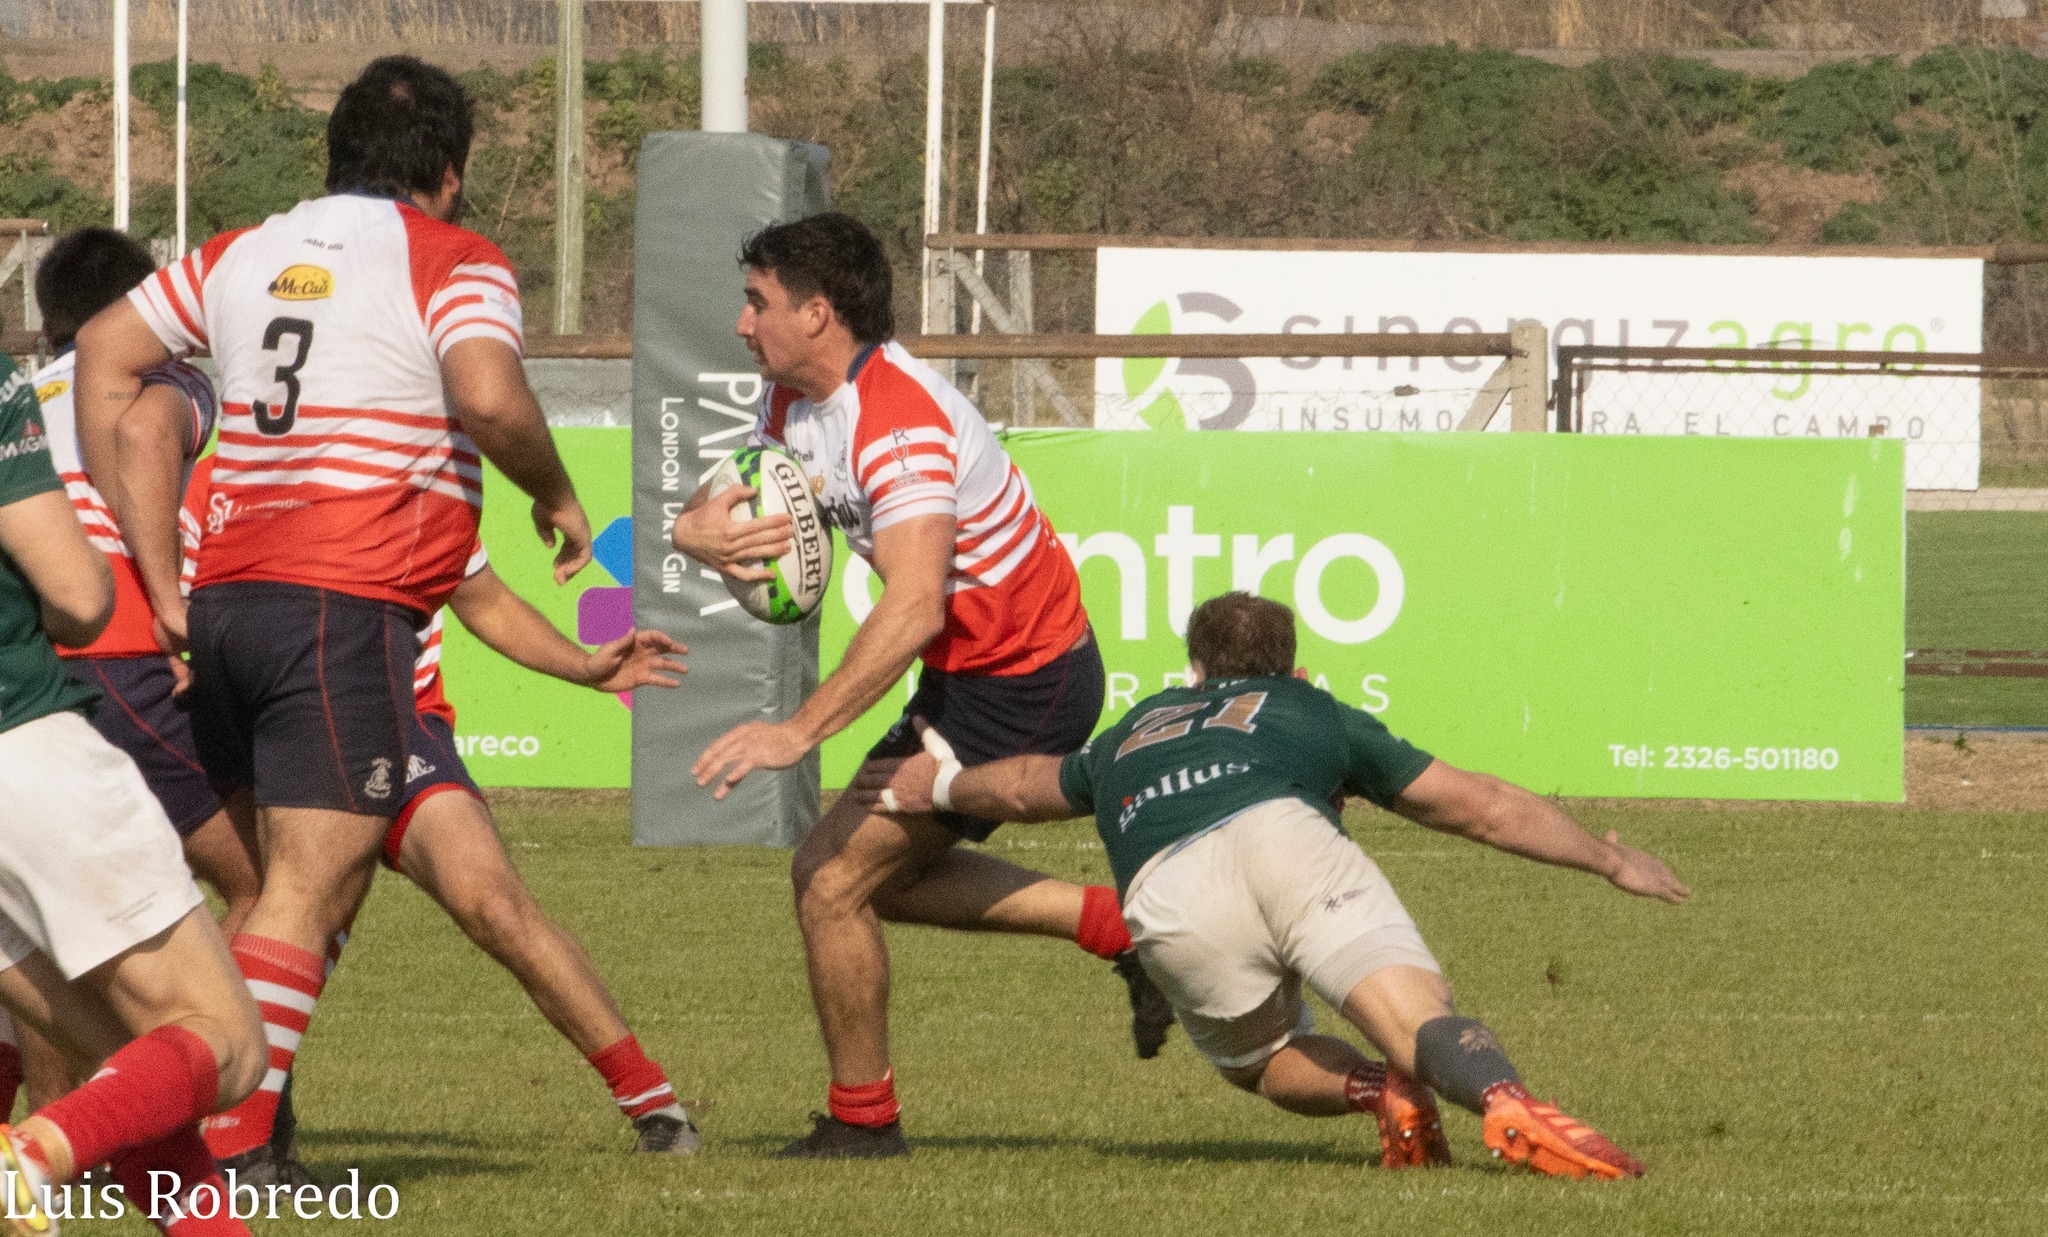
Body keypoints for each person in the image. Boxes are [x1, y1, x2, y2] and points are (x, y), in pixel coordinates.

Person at [72, 54, 592, 1181]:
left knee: (279, 887)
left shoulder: (242, 250)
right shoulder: (453, 256)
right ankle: (213, 1144)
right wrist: (552, 489)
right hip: (339, 603)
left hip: (227, 608)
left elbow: (108, 361)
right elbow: (492, 395)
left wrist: (158, 576)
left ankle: (212, 1134)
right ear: (448, 175)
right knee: (307, 889)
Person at [853, 592, 1690, 1180]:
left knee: (1264, 1058)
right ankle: (1506, 1099)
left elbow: (1022, 787)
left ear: (1193, 665)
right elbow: (1478, 806)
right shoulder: (1310, 709)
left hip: (1168, 889)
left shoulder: (1138, 723)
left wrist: (931, 787)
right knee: (1416, 1019)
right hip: (1284, 840)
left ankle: (1377, 1090)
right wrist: (1609, 859)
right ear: (1289, 665)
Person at [672, 212, 1168, 1159]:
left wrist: (797, 731)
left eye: (757, 302)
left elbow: (911, 608)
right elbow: (729, 507)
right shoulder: (789, 404)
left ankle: (865, 1124)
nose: (742, 324)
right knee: (871, 882)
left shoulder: (898, 419)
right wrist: (690, 533)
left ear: (817, 313)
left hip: (1026, 678)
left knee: (829, 877)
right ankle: (1117, 928)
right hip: (972, 678)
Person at [0, 341, 268, 1234]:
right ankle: (30, 1156)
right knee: (228, 1046)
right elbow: (79, 595)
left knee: (129, 1066)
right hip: (23, 744)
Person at [31, 227, 261, 938]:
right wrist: (170, 608)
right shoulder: (168, 380)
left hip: (33, 665)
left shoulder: (21, 397)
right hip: (122, 652)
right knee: (274, 883)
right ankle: (219, 1051)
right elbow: (146, 440)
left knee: (59, 919)